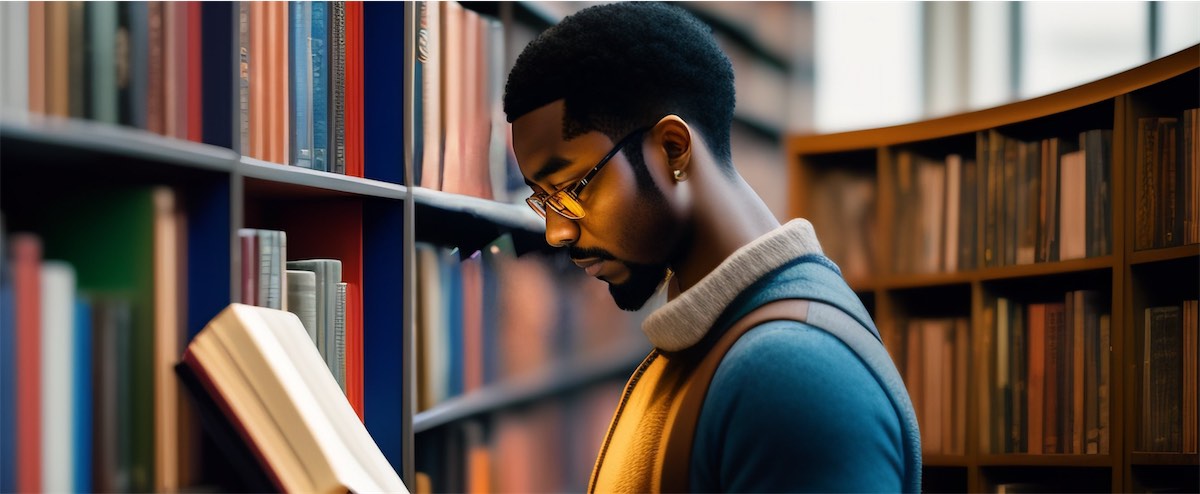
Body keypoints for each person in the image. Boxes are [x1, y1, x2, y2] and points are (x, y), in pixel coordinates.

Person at [503, 2, 921, 492]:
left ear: (673, 149)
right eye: (544, 200)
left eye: (572, 189)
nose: (557, 233)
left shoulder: (791, 376)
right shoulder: (712, 338)